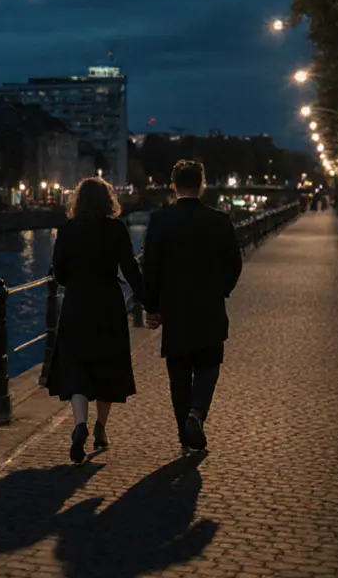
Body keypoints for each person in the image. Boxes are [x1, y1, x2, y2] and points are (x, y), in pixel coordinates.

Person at [141, 160, 243, 454]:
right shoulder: (220, 221)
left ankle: (184, 436)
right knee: (209, 365)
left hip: (175, 309)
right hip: (209, 307)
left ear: (173, 185)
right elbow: (234, 264)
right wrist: (221, 289)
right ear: (202, 185)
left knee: (179, 373)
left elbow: (151, 267)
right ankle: (196, 414)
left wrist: (152, 306)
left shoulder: (160, 221)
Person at [45, 176, 147, 463]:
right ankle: (101, 427)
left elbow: (60, 273)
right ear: (108, 201)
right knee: (107, 366)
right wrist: (149, 302)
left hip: (77, 304)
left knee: (77, 367)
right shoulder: (116, 229)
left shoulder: (67, 230)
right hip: (108, 306)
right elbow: (130, 269)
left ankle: (80, 425)